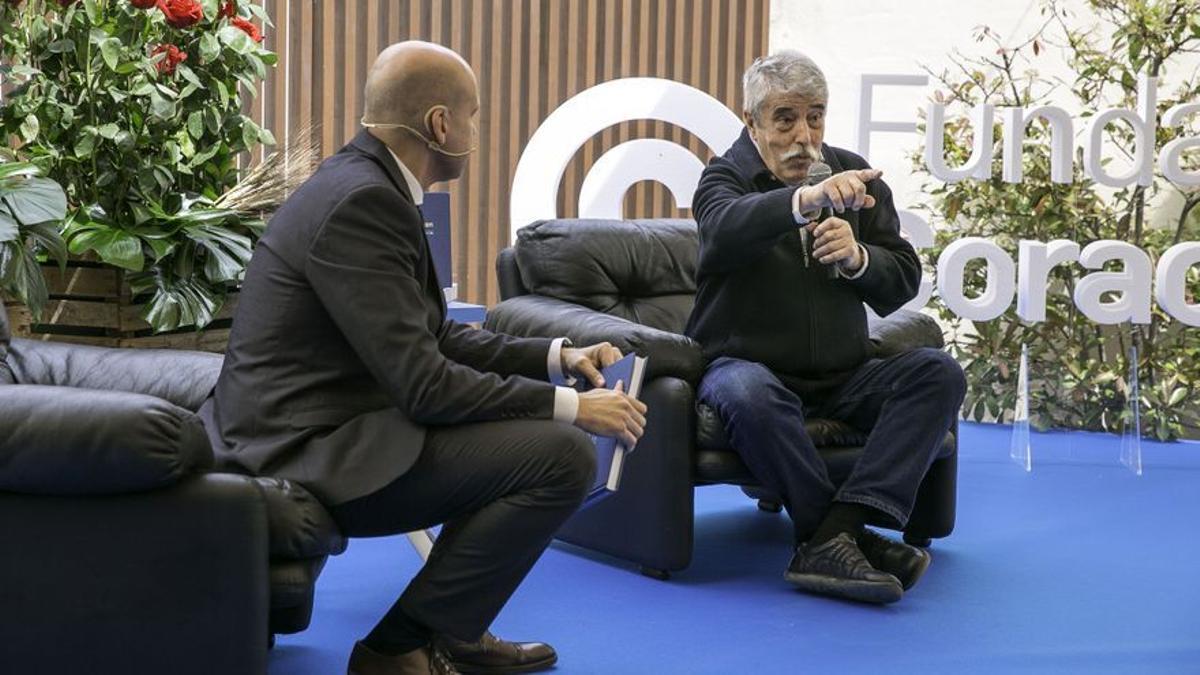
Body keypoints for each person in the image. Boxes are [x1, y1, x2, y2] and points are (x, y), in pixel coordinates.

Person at [205, 41, 648, 674]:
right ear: (440, 124)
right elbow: (426, 386)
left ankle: (454, 629)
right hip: (302, 448)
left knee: (529, 437)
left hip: (320, 426)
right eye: (473, 115)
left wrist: (556, 357)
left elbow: (433, 336)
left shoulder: (368, 184)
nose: (475, 129)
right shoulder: (365, 201)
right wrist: (576, 409)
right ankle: (401, 648)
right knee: (560, 454)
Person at [685, 50, 966, 605]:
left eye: (815, 116)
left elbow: (903, 277)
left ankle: (838, 529)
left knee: (938, 373)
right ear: (752, 122)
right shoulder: (723, 177)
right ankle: (844, 536)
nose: (803, 135)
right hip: (745, 369)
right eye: (785, 118)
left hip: (844, 374)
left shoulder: (852, 174)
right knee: (747, 389)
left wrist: (860, 258)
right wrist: (801, 201)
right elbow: (722, 233)